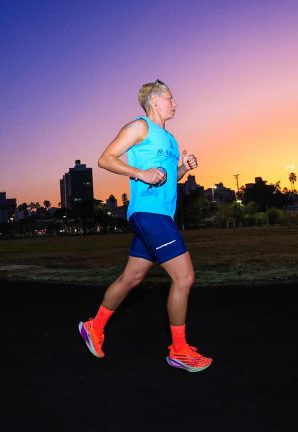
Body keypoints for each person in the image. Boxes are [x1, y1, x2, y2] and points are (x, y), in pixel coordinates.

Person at [78, 79, 212, 372]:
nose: (175, 103)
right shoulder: (139, 127)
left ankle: (94, 326)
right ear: (155, 101)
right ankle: (178, 350)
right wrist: (140, 173)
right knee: (184, 278)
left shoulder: (172, 140)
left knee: (131, 279)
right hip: (148, 214)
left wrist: (184, 169)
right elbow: (105, 160)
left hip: (161, 215)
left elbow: (167, 178)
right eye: (171, 98)